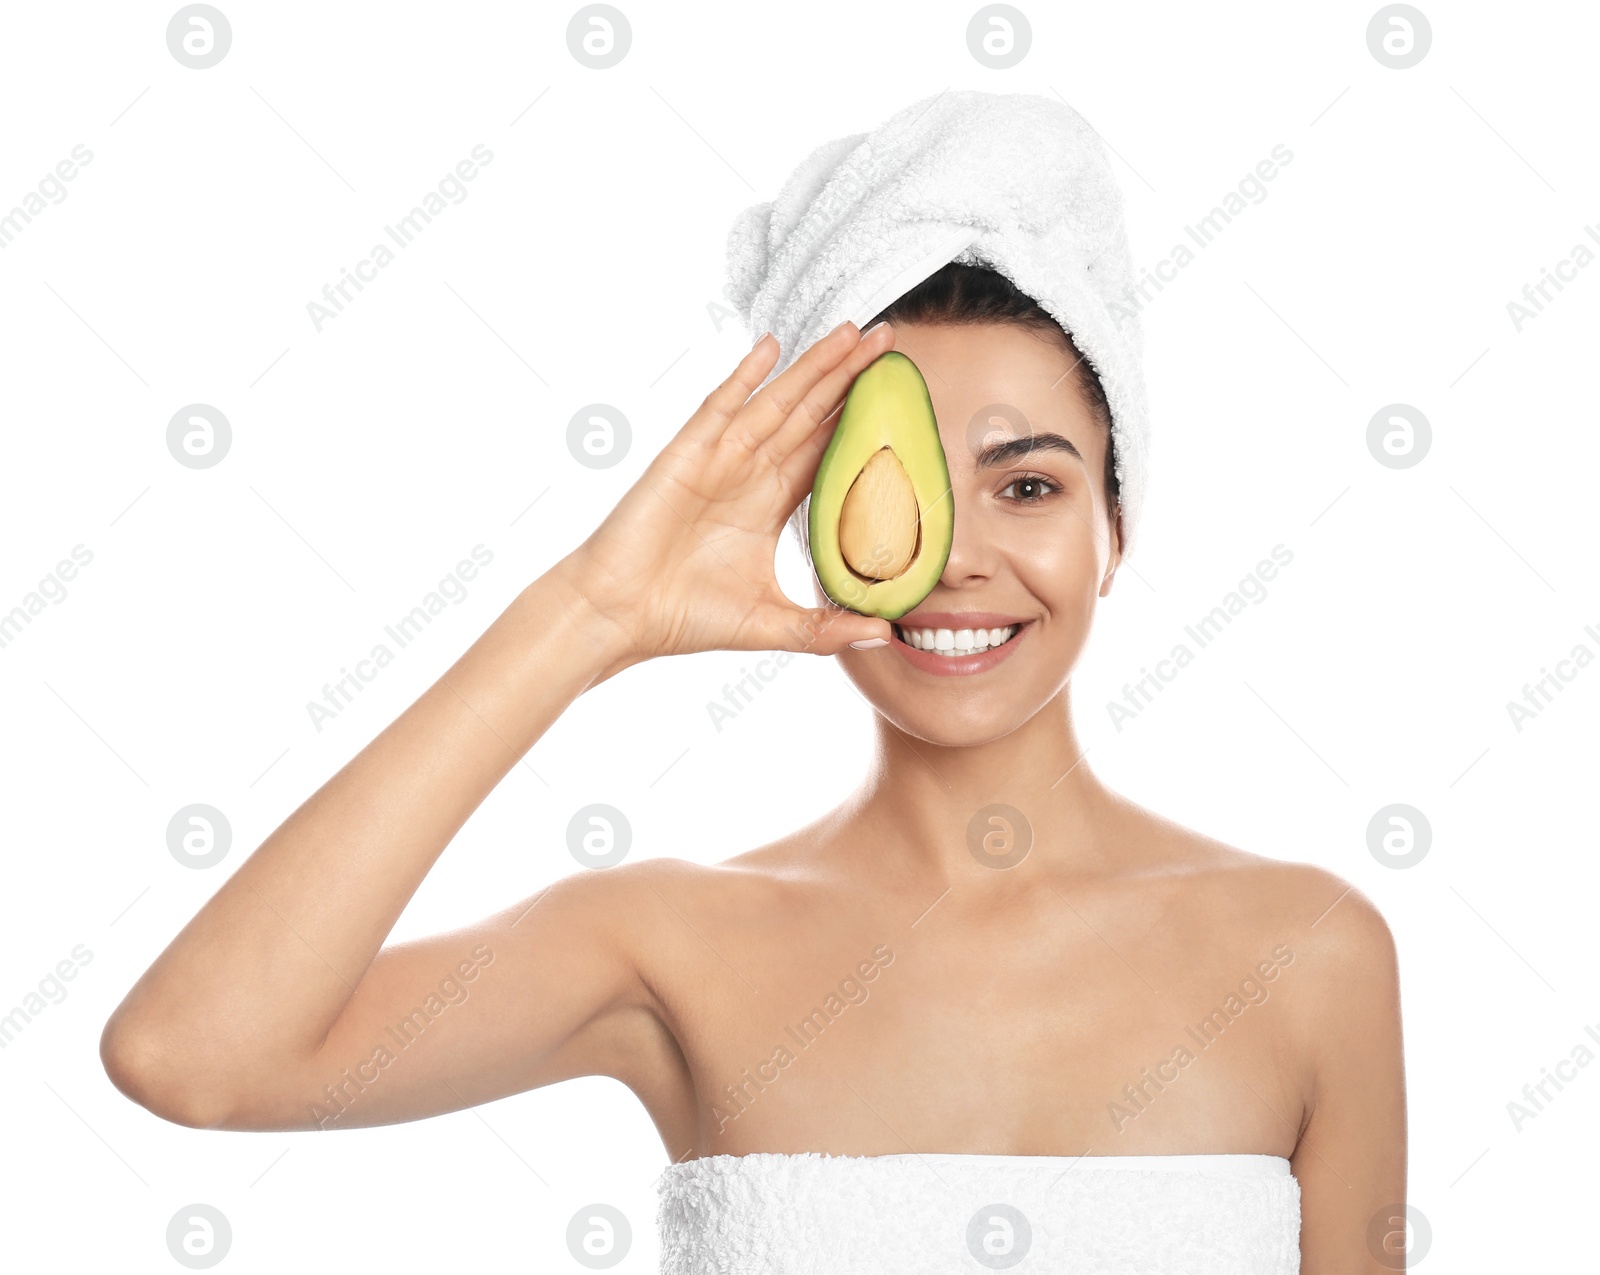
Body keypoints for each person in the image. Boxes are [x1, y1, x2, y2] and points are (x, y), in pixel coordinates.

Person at [102, 98, 1405, 1272]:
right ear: (799, 514)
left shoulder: (1308, 957)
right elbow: (196, 1059)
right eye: (892, 488)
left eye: (1029, 484)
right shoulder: (664, 944)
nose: (954, 557)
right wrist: (589, 613)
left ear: (1116, 526)